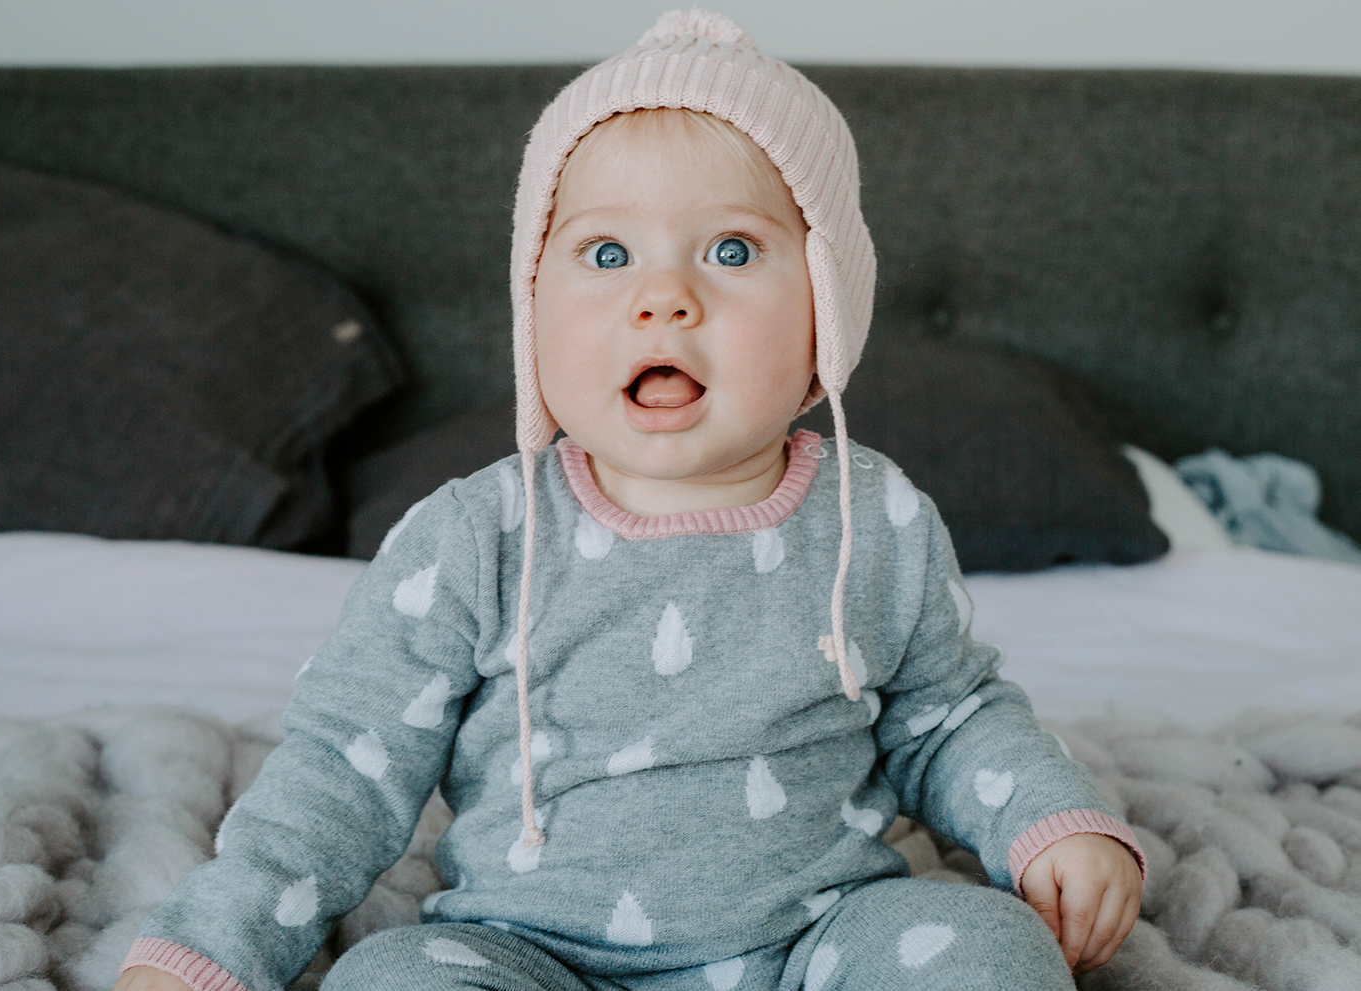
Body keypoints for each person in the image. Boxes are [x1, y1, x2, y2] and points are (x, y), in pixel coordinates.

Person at [116, 11, 1143, 991]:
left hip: (817, 939)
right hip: (529, 952)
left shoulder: (871, 518)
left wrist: (1053, 821)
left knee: (981, 943)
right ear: (534, 307)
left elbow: (948, 715)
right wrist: (214, 945)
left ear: (826, 313)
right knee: (388, 977)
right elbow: (343, 769)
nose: (664, 298)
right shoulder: (475, 538)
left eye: (731, 251)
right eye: (605, 255)